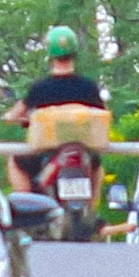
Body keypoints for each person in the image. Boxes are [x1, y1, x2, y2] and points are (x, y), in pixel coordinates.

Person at [10, 27, 109, 194]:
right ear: (75, 51)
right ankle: (90, 213)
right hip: (82, 152)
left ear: (51, 53)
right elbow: (103, 115)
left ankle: (27, 206)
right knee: (97, 169)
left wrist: (12, 117)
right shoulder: (88, 87)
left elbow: (16, 114)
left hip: (47, 152)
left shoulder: (40, 88)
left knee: (14, 161)